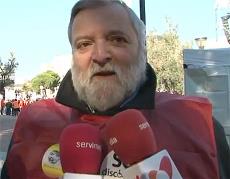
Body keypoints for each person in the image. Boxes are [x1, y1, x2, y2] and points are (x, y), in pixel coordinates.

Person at [1, 0, 230, 178]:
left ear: (142, 48)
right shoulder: (32, 123)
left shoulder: (199, 124)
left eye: (117, 39)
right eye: (84, 44)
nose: (100, 55)